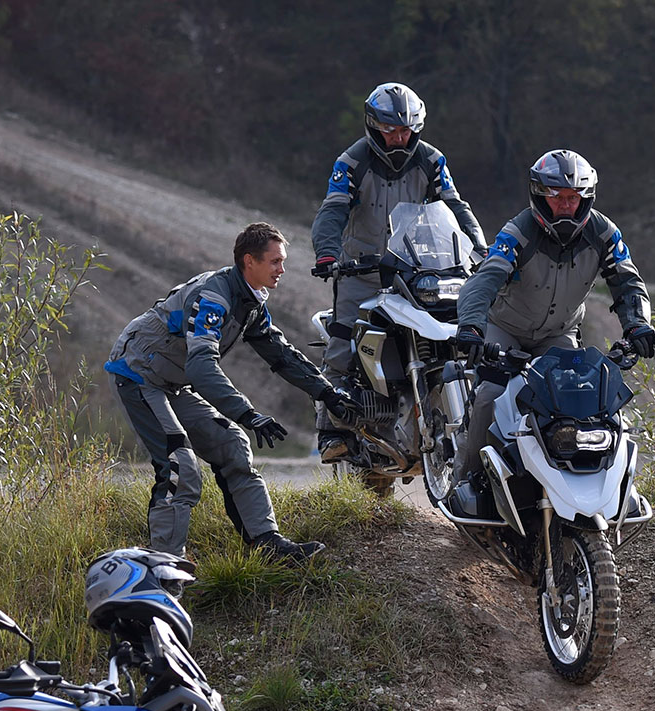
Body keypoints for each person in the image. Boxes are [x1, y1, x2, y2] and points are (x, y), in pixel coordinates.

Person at [105, 222, 360, 563]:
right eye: (275, 261)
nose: (282, 269)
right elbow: (201, 367)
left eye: (282, 262)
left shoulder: (250, 302)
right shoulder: (214, 298)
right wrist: (247, 413)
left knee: (233, 445)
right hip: (137, 376)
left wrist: (327, 394)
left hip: (171, 383)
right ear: (249, 261)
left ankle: (268, 546)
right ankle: (165, 566)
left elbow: (282, 355)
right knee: (181, 466)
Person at [447, 149, 655, 518]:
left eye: (573, 198)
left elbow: (628, 282)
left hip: (559, 335)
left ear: (586, 198)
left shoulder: (603, 233)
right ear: (539, 196)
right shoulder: (518, 232)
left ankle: (588, 487)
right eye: (556, 197)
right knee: (491, 394)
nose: (565, 205)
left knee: (577, 401)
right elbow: (484, 281)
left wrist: (638, 323)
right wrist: (471, 326)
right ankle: (467, 481)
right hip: (505, 328)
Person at [310, 82, 486, 460]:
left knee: (455, 331)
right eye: (390, 130)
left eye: (406, 130)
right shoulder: (351, 162)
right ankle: (330, 431)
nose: (399, 139)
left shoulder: (431, 160)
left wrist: (479, 246)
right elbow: (333, 209)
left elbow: (455, 205)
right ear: (373, 126)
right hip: (361, 271)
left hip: (415, 269)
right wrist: (327, 253)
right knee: (342, 342)